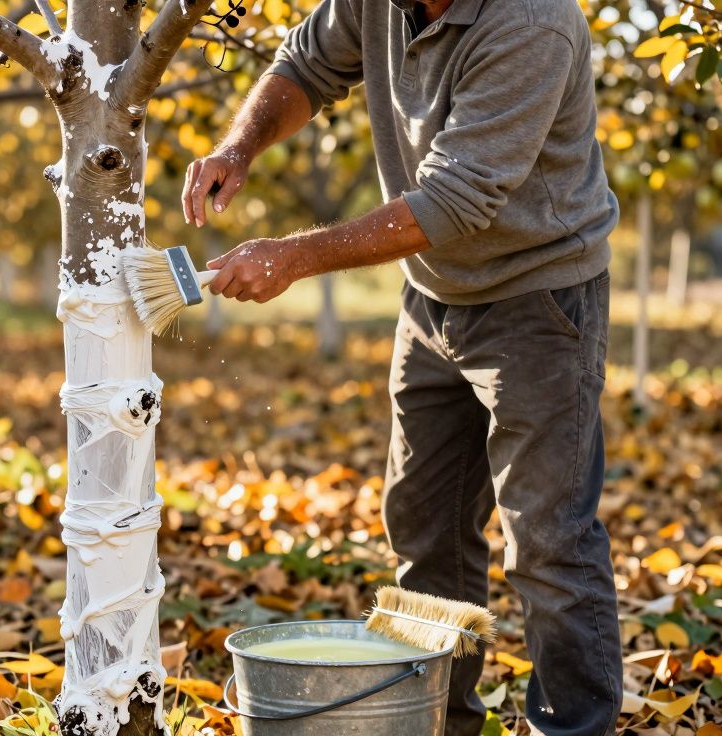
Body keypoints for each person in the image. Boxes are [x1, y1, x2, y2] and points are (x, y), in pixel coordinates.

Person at [180, 0, 623, 732]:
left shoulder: (533, 24)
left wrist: (292, 256)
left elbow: (454, 200)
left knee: (547, 539)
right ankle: (438, 719)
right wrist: (239, 147)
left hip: (539, 296)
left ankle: (573, 726)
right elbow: (304, 65)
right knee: (425, 528)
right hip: (432, 296)